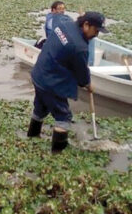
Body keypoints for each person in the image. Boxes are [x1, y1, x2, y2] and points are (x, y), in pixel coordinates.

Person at [27, 11, 108, 153]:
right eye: (96, 30)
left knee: (40, 109)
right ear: (86, 25)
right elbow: (82, 74)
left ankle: (32, 137)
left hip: (38, 74)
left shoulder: (64, 25)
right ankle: (58, 153)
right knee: (63, 116)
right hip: (51, 83)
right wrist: (88, 85)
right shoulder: (79, 47)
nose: (96, 35)